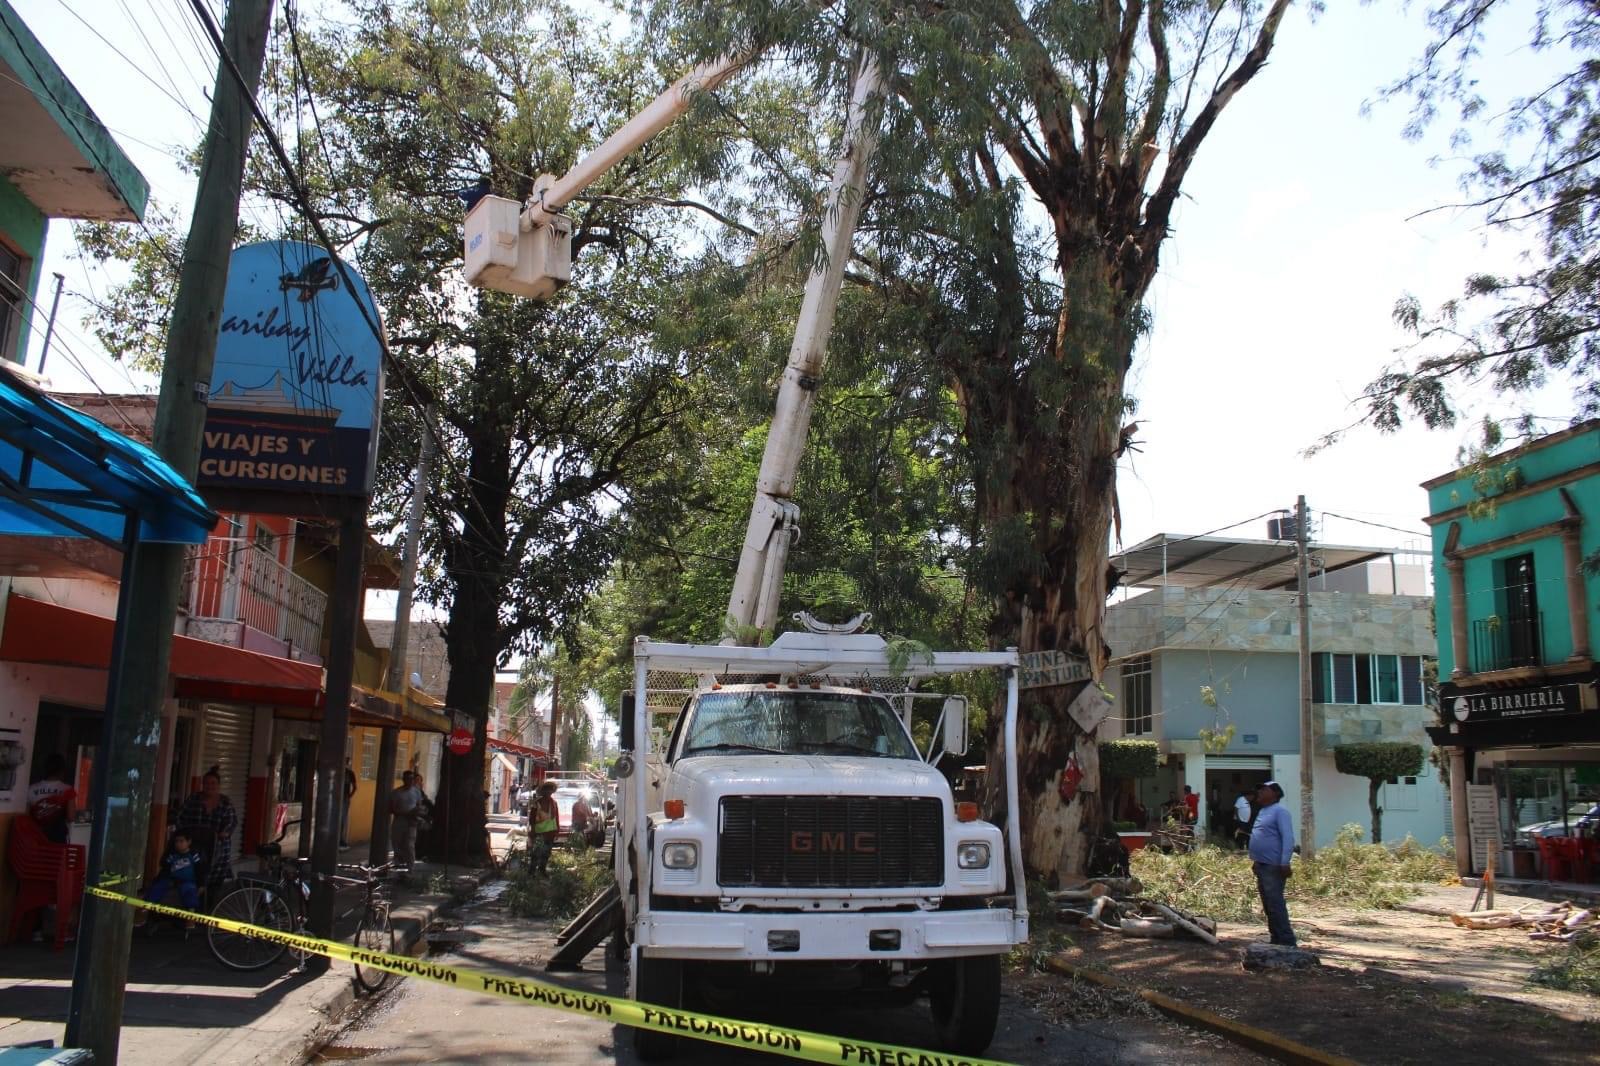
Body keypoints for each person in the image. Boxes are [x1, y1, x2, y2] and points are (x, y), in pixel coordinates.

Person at [1248, 780, 1297, 947]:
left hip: (1273, 866)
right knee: (1268, 904)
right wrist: (1255, 861)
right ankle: (1275, 938)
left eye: (1264, 789)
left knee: (1275, 903)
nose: (1260, 792)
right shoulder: (1263, 811)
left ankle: (1286, 941)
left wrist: (1285, 862)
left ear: (1275, 793)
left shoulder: (1280, 811)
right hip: (1262, 864)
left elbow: (1288, 838)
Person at [178, 766, 237, 887]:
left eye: (213, 783)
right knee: (193, 884)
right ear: (202, 785)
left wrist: (223, 833)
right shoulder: (193, 799)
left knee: (213, 887)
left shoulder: (225, 803)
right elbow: (180, 817)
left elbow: (231, 823)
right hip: (194, 849)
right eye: (206, 783)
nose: (209, 786)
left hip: (218, 851)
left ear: (219, 785)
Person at [143, 830, 203, 925]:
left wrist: (201, 884)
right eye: (176, 841)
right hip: (171, 879)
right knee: (157, 888)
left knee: (189, 891)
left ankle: (191, 915)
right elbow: (165, 867)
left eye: (181, 841)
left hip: (187, 881)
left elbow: (200, 870)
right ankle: (146, 911)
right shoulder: (172, 855)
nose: (178, 844)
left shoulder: (194, 855)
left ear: (189, 842)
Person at [27, 754, 76, 844]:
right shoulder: (67, 790)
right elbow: (71, 817)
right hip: (57, 839)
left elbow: (26, 817)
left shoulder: (31, 789)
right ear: (62, 770)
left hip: (35, 838)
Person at [389, 770, 424, 871]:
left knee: (409, 845)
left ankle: (410, 868)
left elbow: (419, 806)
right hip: (399, 821)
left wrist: (417, 814)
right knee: (397, 844)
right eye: (407, 779)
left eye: (411, 779)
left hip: (411, 822)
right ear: (403, 780)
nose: (410, 781)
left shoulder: (417, 792)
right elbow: (392, 809)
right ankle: (399, 866)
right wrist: (404, 813)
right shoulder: (396, 793)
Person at [528, 781, 560, 874]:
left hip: (550, 833)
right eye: (547, 790)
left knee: (546, 853)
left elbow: (556, 817)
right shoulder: (536, 803)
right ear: (543, 791)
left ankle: (542, 870)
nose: (549, 792)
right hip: (538, 833)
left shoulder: (554, 803)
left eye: (550, 790)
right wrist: (532, 831)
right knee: (536, 853)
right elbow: (532, 819)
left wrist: (557, 830)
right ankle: (532, 871)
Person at [340, 758, 358, 847]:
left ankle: (340, 838)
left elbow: (355, 787)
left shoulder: (350, 773)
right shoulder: (338, 772)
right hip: (339, 798)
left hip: (344, 798)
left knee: (342, 819)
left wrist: (349, 796)